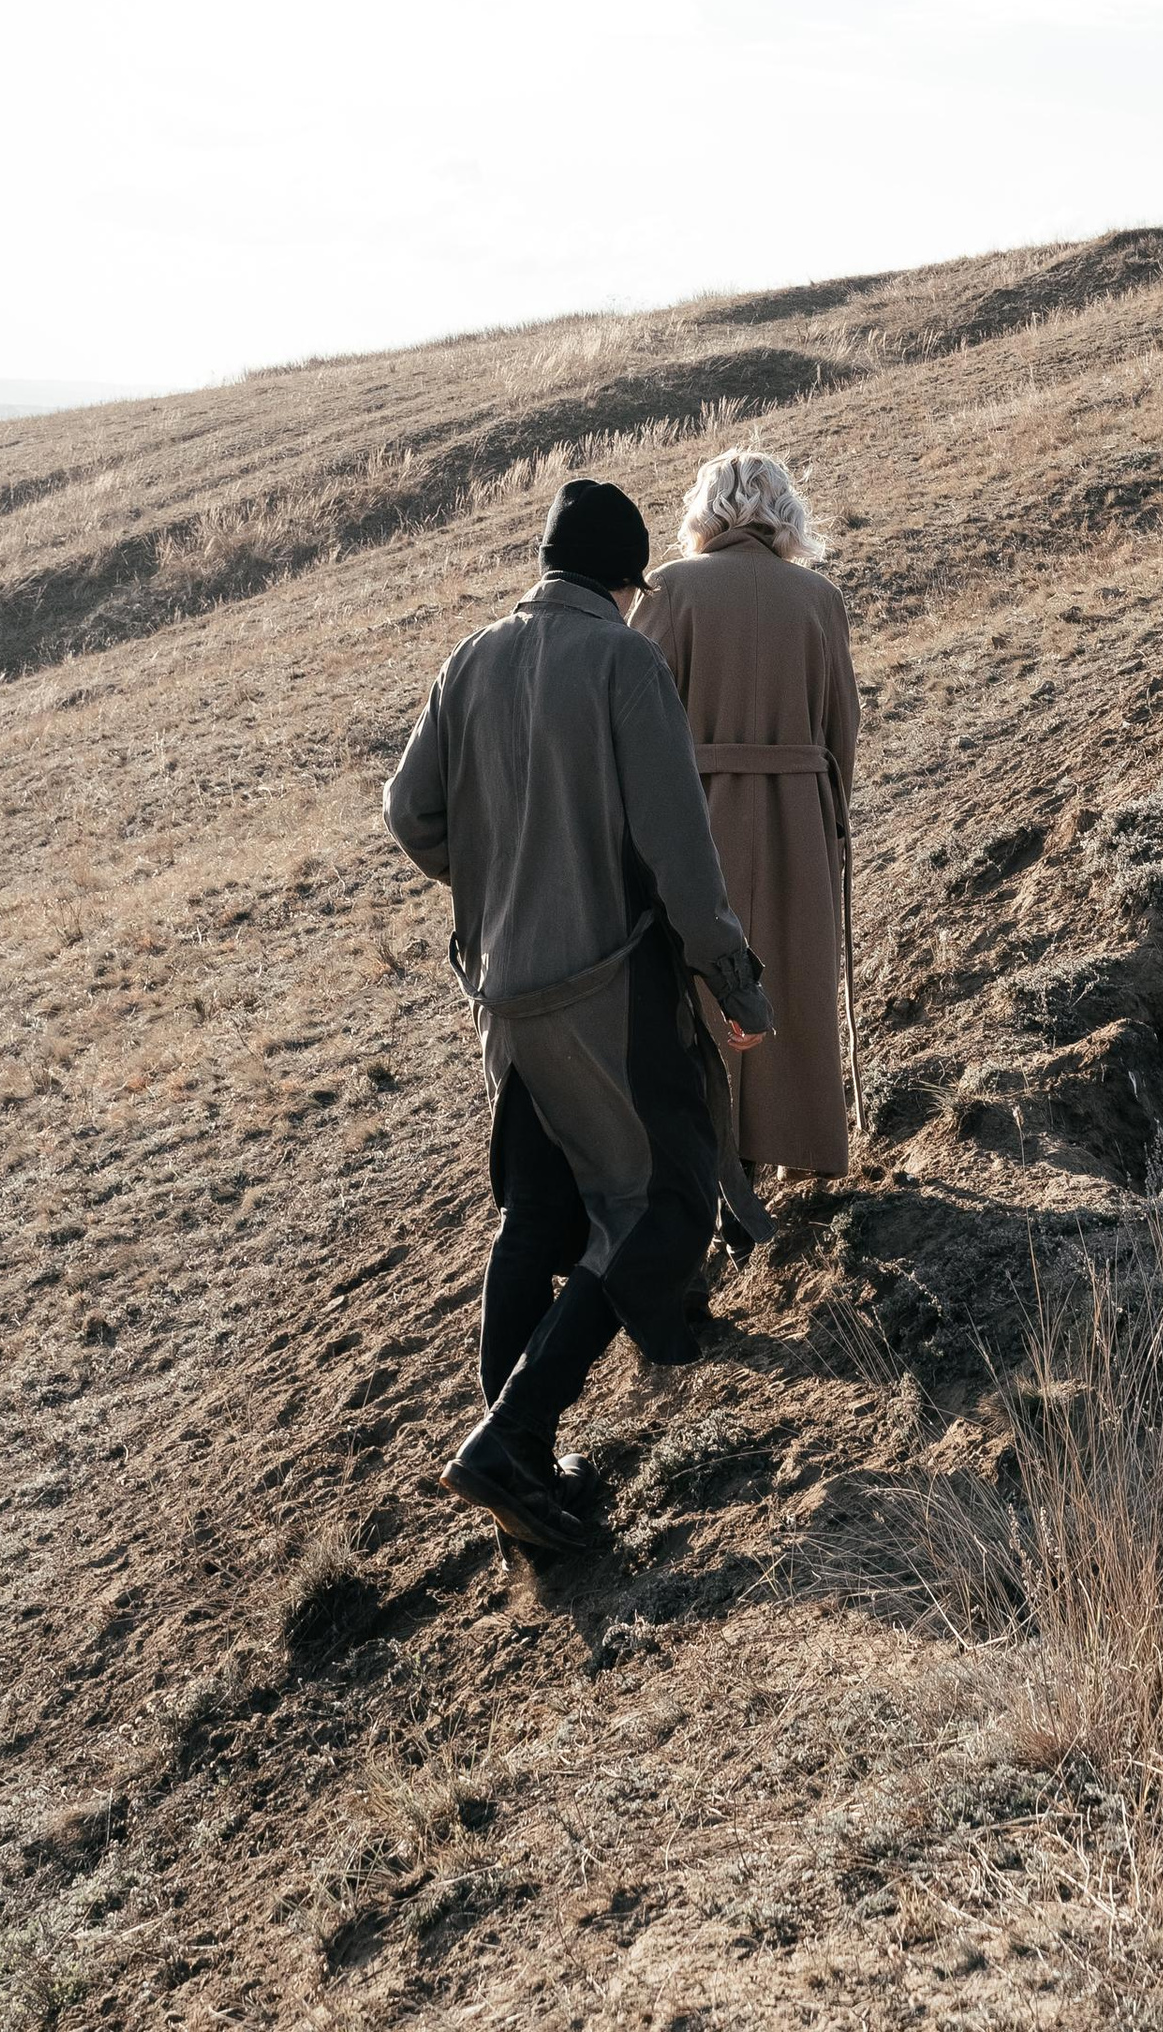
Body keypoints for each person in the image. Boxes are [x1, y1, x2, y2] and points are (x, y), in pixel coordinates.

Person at [382, 475, 774, 1556]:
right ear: (623, 579)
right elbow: (682, 860)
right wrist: (732, 978)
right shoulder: (624, 661)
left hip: (502, 997)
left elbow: (407, 812)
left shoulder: (471, 656)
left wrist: (498, 875)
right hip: (608, 991)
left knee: (539, 1215)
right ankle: (509, 1444)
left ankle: (527, 1481)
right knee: (667, 1206)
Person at [633, 450, 860, 1184]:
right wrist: (830, 820)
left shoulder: (669, 588)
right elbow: (841, 728)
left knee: (696, 990)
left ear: (706, 510)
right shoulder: (819, 597)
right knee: (792, 983)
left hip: (694, 817)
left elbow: (633, 714)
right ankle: (781, 1149)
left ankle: (702, 1163)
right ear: (784, 513)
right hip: (798, 813)